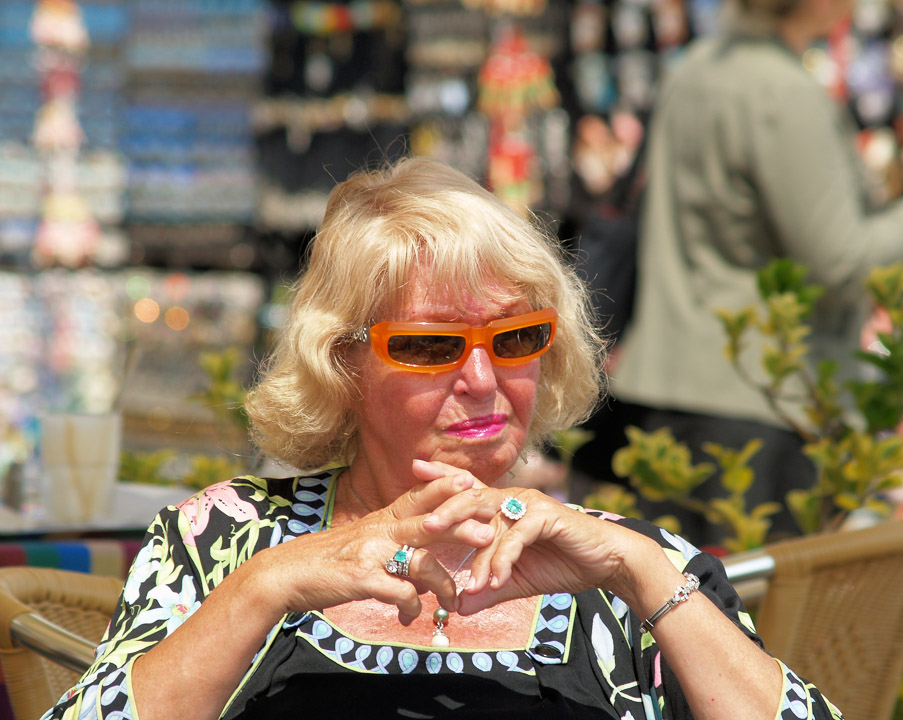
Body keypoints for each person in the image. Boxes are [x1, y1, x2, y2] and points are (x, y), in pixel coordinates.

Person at [42, 158, 842, 720]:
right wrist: (268, 585)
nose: (484, 380)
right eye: (430, 347)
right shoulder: (223, 541)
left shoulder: (636, 570)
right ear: (342, 365)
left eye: (519, 338)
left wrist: (638, 570)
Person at [571, 0, 903, 546]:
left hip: (671, 390)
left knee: (672, 609)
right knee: (750, 620)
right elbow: (841, 264)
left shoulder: (695, 69)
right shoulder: (783, 93)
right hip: (760, 404)